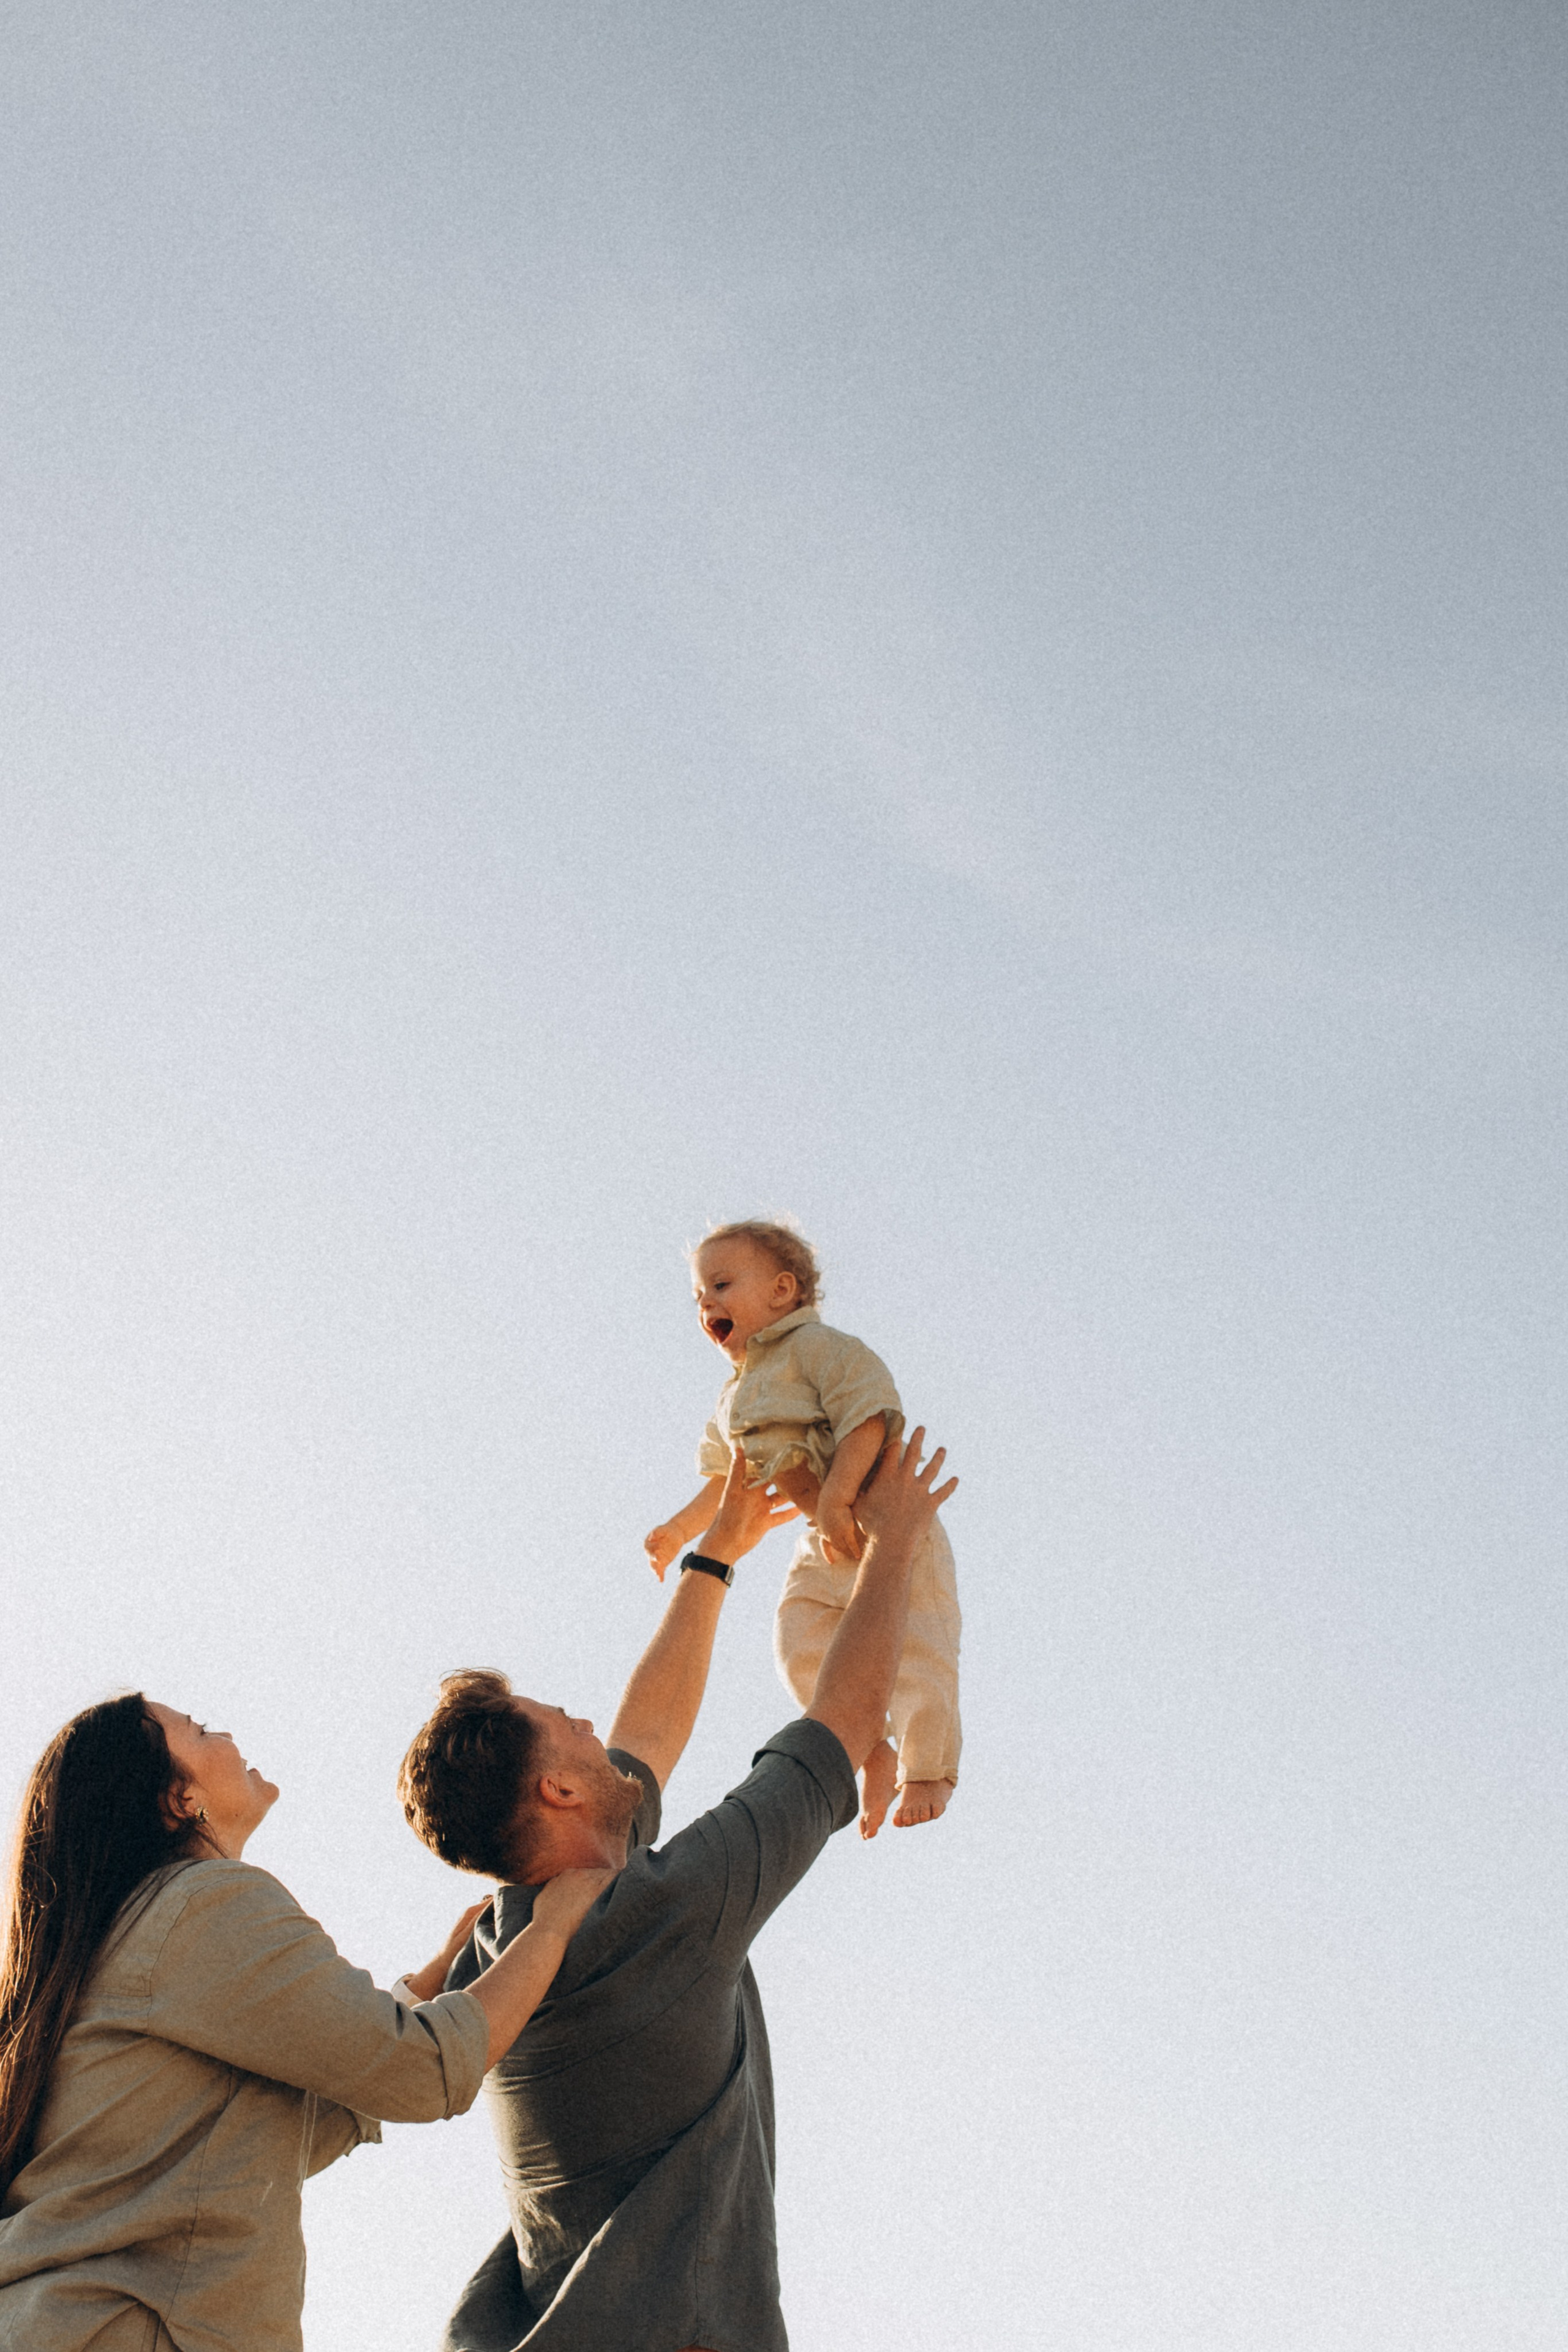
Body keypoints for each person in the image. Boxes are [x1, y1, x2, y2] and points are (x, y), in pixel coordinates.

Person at [399, 1424, 957, 2352]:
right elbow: (843, 1721)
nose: (589, 1721)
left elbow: (645, 1738)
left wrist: (718, 1554)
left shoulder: (509, 1940)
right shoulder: (658, 1918)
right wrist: (895, 1539)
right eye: (565, 1723)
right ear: (560, 1792)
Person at [0, 1695, 609, 2352]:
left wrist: (429, 1981)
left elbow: (278, 2128)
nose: (225, 1733)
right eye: (200, 1732)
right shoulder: (205, 1903)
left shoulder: (123, 1934)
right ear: (180, 1800)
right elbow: (421, 2071)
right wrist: (552, 1924)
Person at [644, 1219, 962, 1832]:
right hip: (822, 1546)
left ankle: (929, 1769)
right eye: (697, 1296)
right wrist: (678, 1531)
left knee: (920, 1645)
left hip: (880, 1509)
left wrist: (840, 1499)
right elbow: (726, 1479)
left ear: (783, 1290)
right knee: (797, 1643)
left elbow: (867, 1415)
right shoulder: (732, 1398)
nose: (706, 1302)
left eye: (721, 1284)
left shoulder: (819, 1349)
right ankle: (869, 1748)